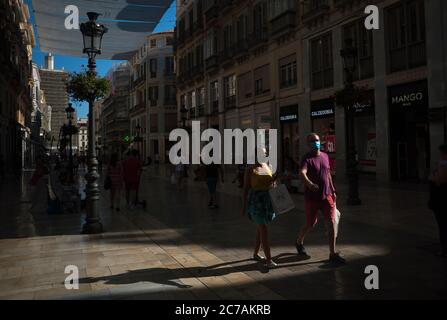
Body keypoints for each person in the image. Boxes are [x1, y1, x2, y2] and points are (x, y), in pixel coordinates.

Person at [295, 133, 346, 264]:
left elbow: (328, 173)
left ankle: (332, 253)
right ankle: (299, 241)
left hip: (326, 196)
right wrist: (309, 184)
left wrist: (333, 190)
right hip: (312, 198)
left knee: (331, 223)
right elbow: (302, 172)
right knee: (311, 223)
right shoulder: (307, 158)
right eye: (312, 141)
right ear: (308, 144)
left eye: (317, 140)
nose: (315, 142)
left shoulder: (325, 156)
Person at [241, 148, 278, 269]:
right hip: (256, 202)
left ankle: (256, 253)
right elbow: (246, 188)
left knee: (260, 229)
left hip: (266, 201)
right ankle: (269, 260)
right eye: (262, 153)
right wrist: (243, 206)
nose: (265, 155)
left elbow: (270, 183)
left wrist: (273, 181)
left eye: (266, 153)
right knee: (263, 229)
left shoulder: (267, 166)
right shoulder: (250, 169)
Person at [429, 144, 447, 257]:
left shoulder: (444, 163)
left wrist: (433, 177)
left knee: (443, 225)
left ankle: (444, 250)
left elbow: (440, 179)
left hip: (442, 199)